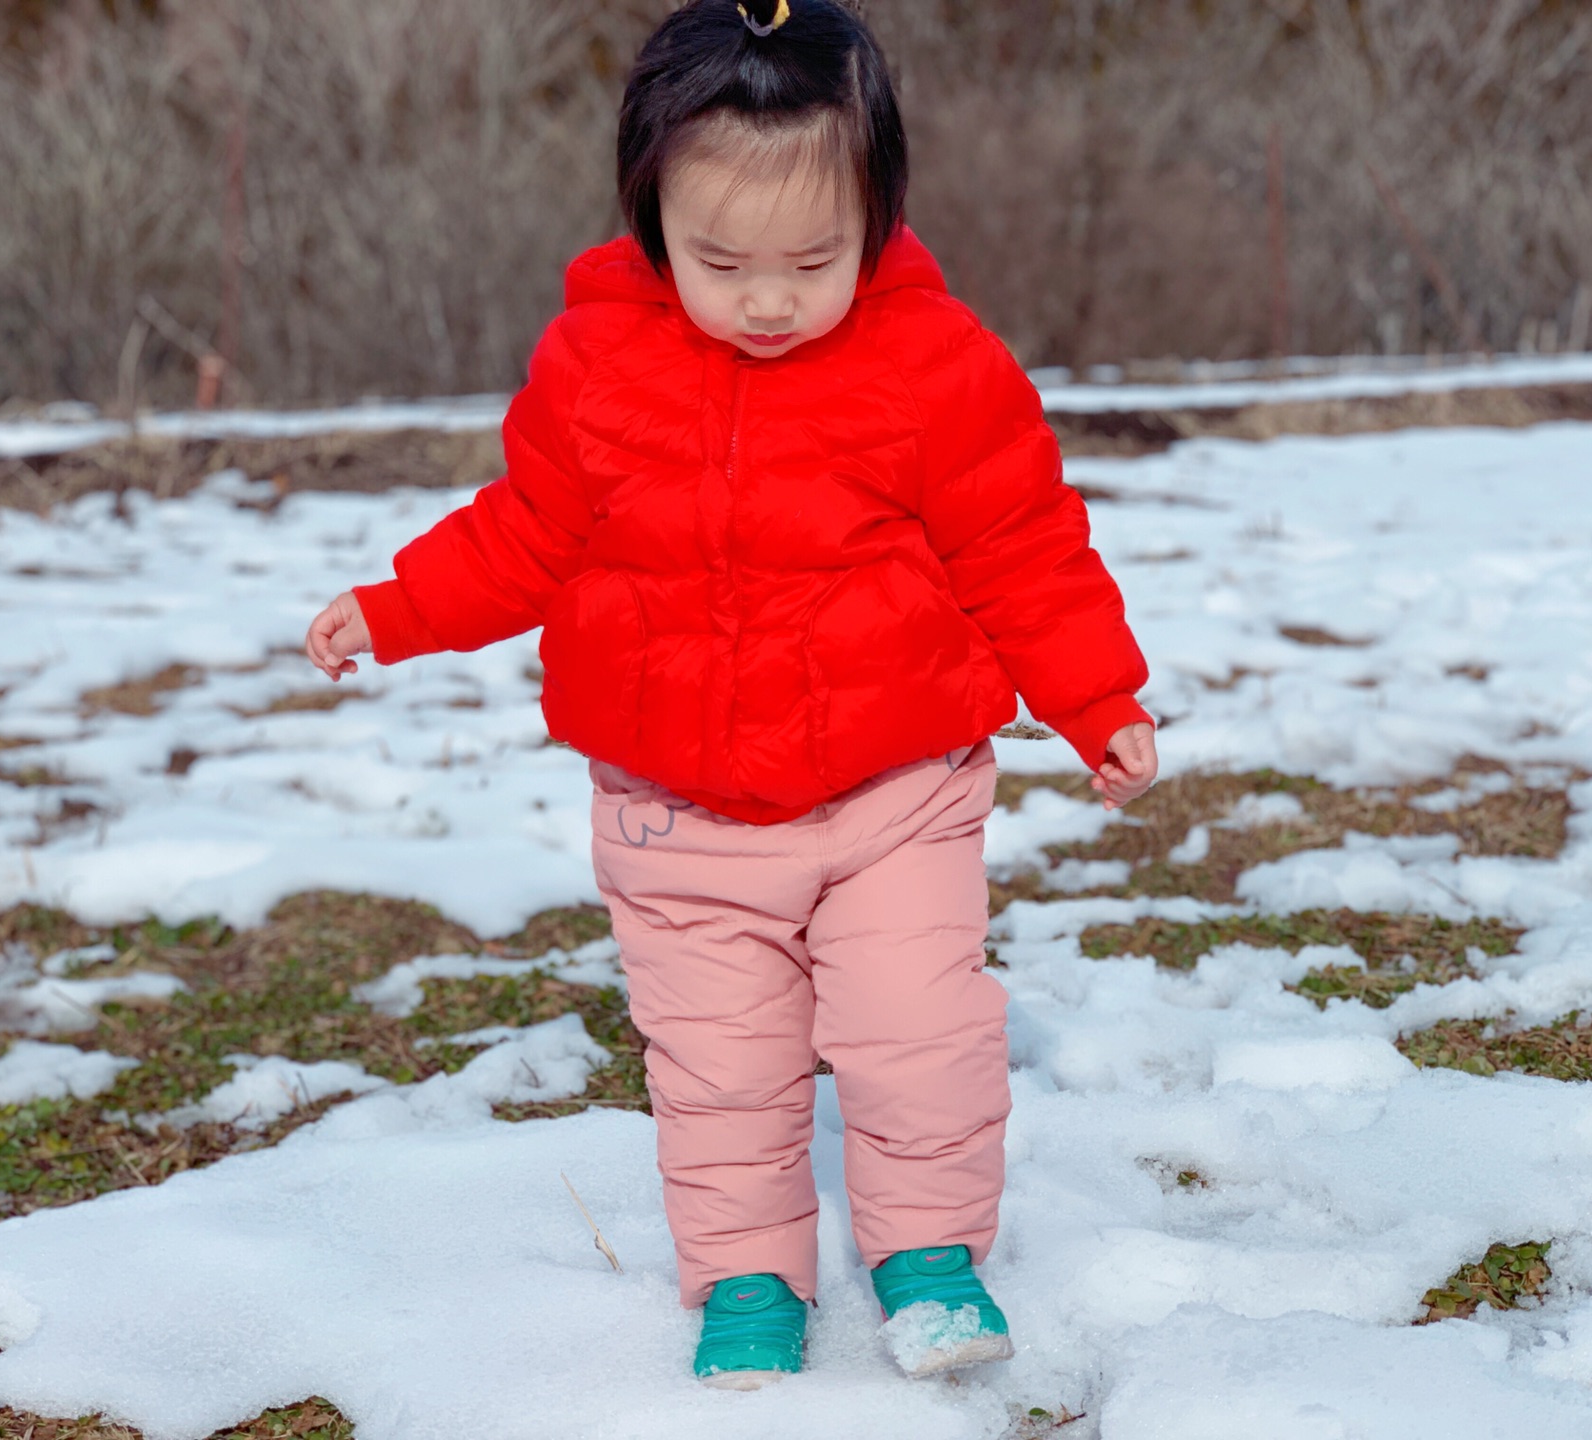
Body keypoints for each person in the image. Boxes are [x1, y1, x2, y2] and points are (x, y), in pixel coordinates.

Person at [303, 0, 1156, 1390]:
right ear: (651, 221)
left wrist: (1097, 698)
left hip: (897, 790)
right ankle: (749, 1277)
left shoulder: (934, 367)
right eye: (722, 260)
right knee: (721, 1069)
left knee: (916, 1033)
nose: (769, 297)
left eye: (814, 260)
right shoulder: (596, 371)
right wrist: (397, 609)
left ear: (878, 218)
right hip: (675, 816)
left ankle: (928, 1256)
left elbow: (1019, 545)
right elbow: (525, 534)